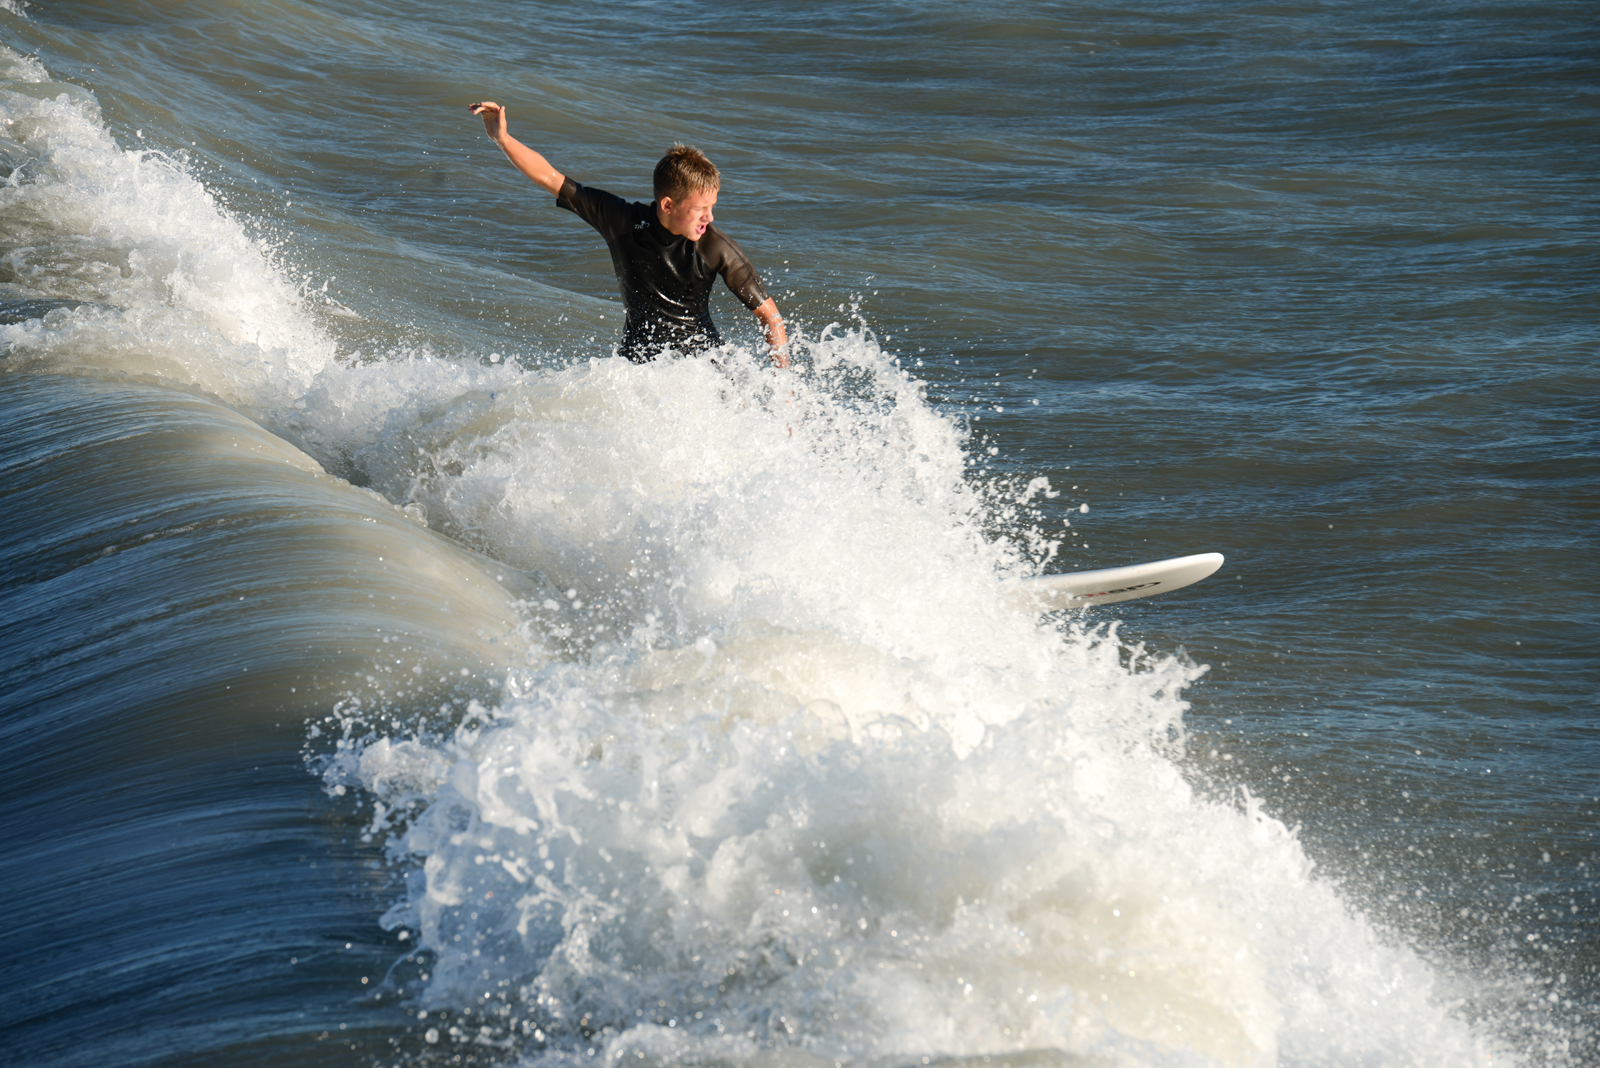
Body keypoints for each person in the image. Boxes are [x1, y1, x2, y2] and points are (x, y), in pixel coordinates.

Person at [468, 102, 788, 368]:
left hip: (701, 373)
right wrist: (503, 138)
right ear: (667, 204)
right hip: (636, 367)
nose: (710, 217)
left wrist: (783, 392)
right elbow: (551, 178)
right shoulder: (624, 221)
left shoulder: (714, 247)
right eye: (700, 208)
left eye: (713, 206)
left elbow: (771, 318)